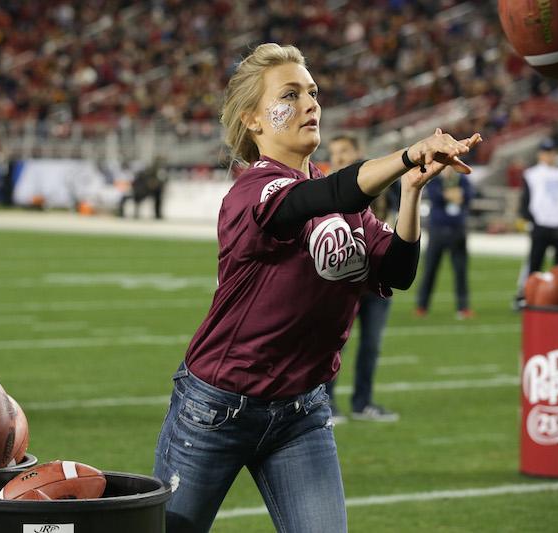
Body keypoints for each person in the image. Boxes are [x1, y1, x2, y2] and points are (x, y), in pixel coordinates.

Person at [152, 43, 481, 533]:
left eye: (312, 91)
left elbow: (398, 269)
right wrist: (408, 153)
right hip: (218, 407)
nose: (311, 104)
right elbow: (314, 198)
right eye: (291, 93)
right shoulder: (251, 192)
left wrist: (410, 192)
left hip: (301, 411)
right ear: (254, 121)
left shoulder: (340, 195)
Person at [324, 135, 399, 423]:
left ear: (358, 151)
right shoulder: (327, 186)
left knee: (371, 345)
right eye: (334, 152)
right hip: (343, 282)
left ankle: (362, 402)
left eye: (344, 151)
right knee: (333, 346)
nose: (339, 157)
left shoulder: (381, 183)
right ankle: (326, 402)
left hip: (376, 279)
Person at [515, 138, 558, 306]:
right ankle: (528, 297)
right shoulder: (532, 174)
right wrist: (532, 220)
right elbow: (525, 201)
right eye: (546, 152)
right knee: (534, 265)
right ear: (540, 154)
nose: (549, 156)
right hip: (541, 225)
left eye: (552, 152)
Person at [415, 165, 474, 319]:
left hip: (457, 232)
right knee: (430, 270)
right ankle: (422, 306)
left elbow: (468, 197)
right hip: (438, 231)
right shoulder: (435, 181)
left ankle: (463, 307)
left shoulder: (463, 180)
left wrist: (449, 195)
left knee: (460, 271)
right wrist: (454, 195)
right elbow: (436, 197)